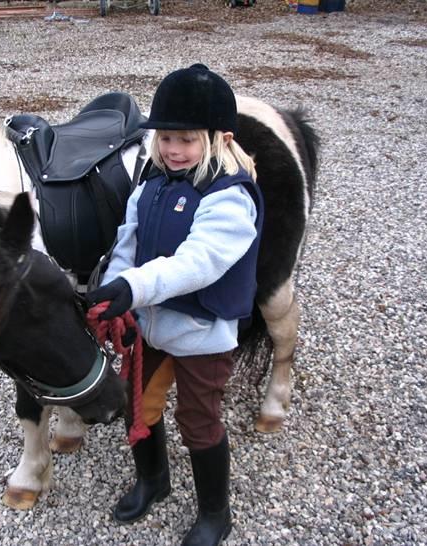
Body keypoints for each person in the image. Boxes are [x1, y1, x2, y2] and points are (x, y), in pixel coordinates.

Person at [86, 64, 263, 546]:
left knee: (198, 420)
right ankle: (153, 479)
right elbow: (127, 244)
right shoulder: (149, 188)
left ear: (219, 139)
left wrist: (135, 289)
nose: (172, 150)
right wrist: (115, 290)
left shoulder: (230, 199)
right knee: (137, 404)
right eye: (165, 138)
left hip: (202, 333)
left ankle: (215, 513)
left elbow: (199, 262)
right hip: (151, 325)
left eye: (185, 139)